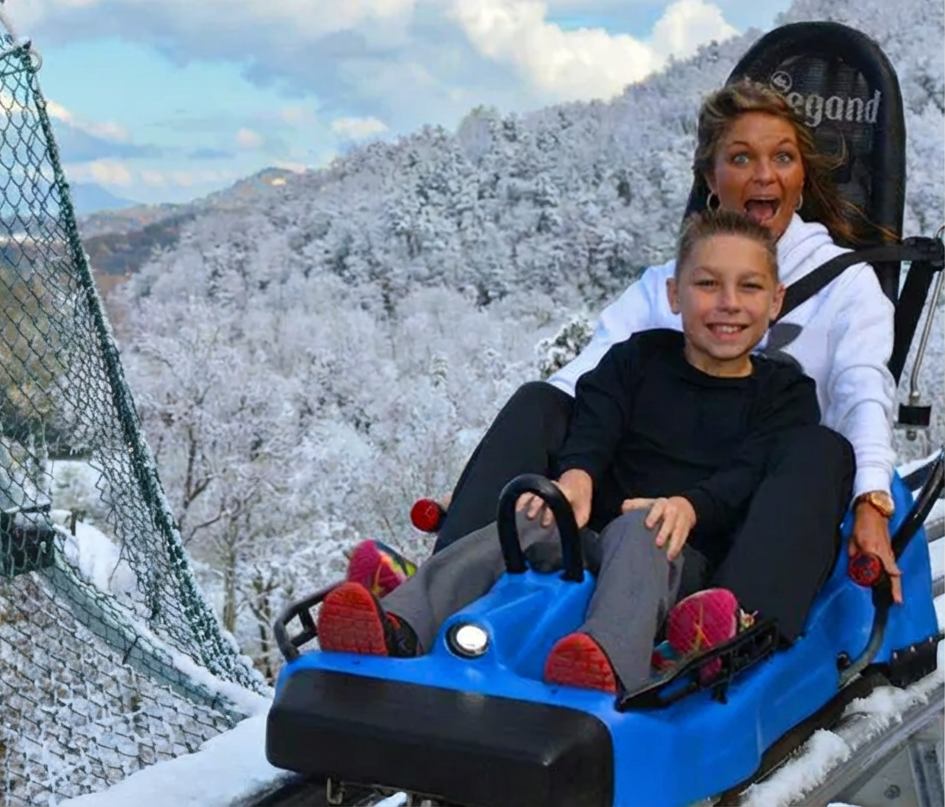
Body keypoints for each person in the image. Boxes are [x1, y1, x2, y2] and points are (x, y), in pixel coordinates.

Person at [348, 78, 899, 654]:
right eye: (741, 158)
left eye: (782, 157)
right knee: (543, 400)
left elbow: (864, 391)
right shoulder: (662, 297)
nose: (764, 175)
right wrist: (575, 471)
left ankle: (728, 631)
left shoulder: (842, 290)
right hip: (634, 505)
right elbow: (587, 386)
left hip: (759, 507)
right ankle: (433, 595)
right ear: (711, 179)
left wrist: (871, 498)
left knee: (820, 447)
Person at [318, 210, 823, 694]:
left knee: (641, 528)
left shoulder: (783, 394)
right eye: (707, 284)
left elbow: (751, 471)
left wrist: (689, 507)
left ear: (776, 300)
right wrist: (576, 476)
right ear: (674, 294)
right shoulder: (638, 358)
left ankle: (606, 661)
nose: (728, 302)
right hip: (592, 539)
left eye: (749, 287)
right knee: (532, 517)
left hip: (677, 556)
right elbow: (594, 420)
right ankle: (401, 623)